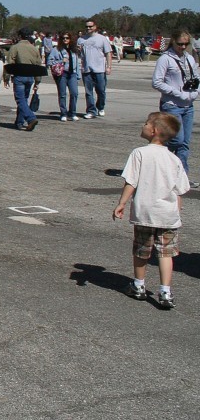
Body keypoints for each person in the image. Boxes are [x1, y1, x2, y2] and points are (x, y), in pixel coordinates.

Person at [112, 112, 189, 309]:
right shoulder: (174, 159)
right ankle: (165, 291)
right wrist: (177, 211)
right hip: (168, 215)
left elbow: (131, 182)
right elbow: (178, 190)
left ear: (154, 131)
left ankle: (139, 285)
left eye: (146, 123)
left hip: (145, 213)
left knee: (141, 250)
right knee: (166, 254)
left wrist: (122, 203)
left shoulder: (139, 153)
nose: (143, 125)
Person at [152, 30, 199, 186]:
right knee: (176, 140)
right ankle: (158, 162)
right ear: (173, 42)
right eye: (180, 44)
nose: (183, 47)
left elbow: (196, 77)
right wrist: (177, 93)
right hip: (172, 105)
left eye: (186, 44)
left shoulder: (189, 58)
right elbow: (157, 82)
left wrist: (195, 92)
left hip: (188, 105)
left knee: (185, 143)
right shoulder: (165, 59)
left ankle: (182, 177)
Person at [4, 28, 42, 131]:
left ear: (19, 36)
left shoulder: (15, 47)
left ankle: (31, 118)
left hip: (19, 76)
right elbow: (38, 65)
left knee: (20, 100)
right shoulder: (34, 49)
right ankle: (19, 122)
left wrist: (6, 77)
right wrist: (37, 81)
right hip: (30, 77)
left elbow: (10, 63)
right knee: (24, 99)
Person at [78, 19, 112, 118]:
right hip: (86, 69)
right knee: (88, 92)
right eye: (87, 27)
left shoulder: (102, 39)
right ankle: (91, 110)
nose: (88, 28)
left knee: (101, 90)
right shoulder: (81, 39)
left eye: (90, 26)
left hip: (100, 69)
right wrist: (78, 51)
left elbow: (108, 53)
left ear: (95, 27)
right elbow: (79, 54)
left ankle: (100, 107)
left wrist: (109, 67)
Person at [47, 31, 81, 121]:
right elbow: (49, 61)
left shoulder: (74, 50)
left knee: (74, 93)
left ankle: (72, 112)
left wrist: (78, 75)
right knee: (62, 94)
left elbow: (77, 63)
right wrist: (61, 60)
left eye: (67, 38)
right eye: (63, 38)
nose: (65, 40)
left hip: (72, 74)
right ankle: (63, 113)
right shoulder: (56, 49)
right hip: (62, 74)